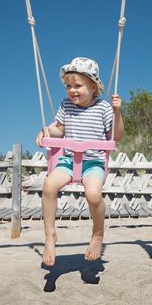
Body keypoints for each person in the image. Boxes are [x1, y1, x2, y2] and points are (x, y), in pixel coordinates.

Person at [36, 57, 124, 267]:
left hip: (93, 162)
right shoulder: (66, 105)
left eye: (77, 85)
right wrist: (45, 131)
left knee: (93, 194)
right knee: (49, 186)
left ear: (93, 86)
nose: (72, 90)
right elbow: (60, 129)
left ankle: (97, 234)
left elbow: (116, 136)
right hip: (67, 160)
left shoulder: (103, 108)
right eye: (68, 86)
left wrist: (117, 112)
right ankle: (50, 236)